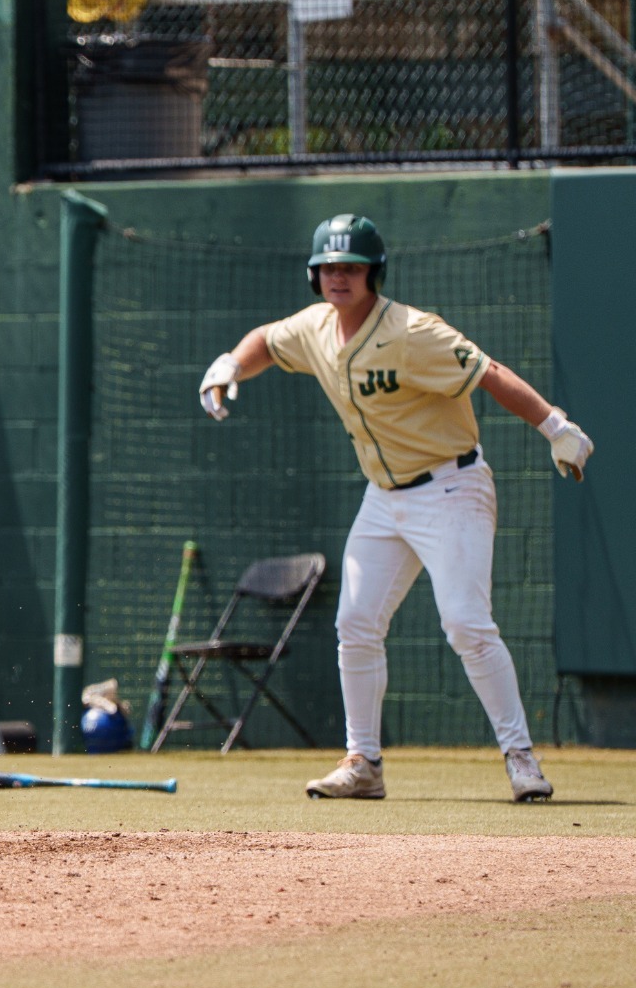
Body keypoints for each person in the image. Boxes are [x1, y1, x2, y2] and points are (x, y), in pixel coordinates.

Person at [199, 214, 595, 802]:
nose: (339, 277)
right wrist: (231, 364)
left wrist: (555, 426)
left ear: (373, 273)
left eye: (351, 267)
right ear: (315, 276)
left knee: (465, 622)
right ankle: (364, 763)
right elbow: (267, 340)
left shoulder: (412, 331)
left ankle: (520, 757)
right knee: (354, 624)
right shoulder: (315, 327)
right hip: (384, 498)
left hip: (451, 488)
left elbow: (487, 372)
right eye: (328, 267)